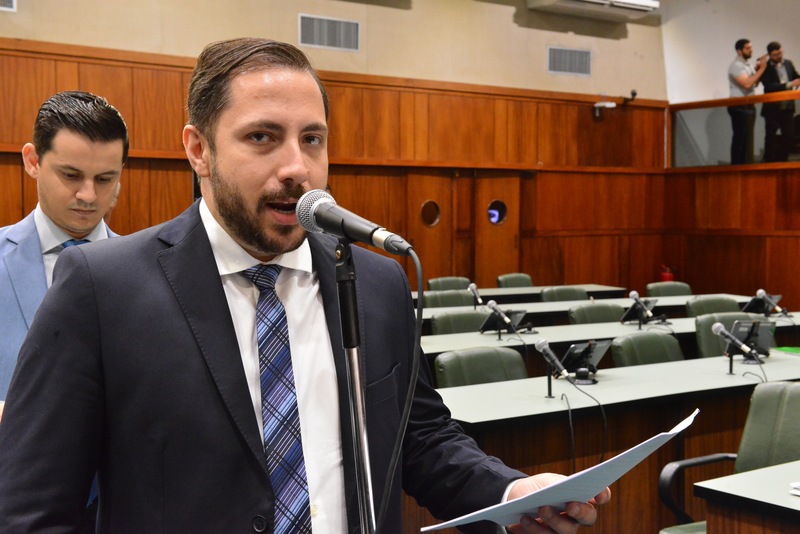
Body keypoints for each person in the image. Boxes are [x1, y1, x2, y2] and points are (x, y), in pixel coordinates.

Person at [0, 38, 609, 533]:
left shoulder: (374, 282)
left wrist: (508, 491)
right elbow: (33, 509)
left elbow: (418, 439)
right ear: (199, 150)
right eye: (262, 137)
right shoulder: (102, 288)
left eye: (312, 139)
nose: (298, 167)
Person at [0, 90, 128, 406]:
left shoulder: (151, 271)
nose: (88, 195)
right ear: (33, 161)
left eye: (105, 179)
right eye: (71, 175)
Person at [728, 38, 768, 164]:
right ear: (739, 51)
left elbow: (754, 83)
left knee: (747, 140)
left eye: (751, 47)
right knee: (740, 139)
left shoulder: (748, 64)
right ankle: (737, 167)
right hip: (739, 106)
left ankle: (745, 165)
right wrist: (762, 69)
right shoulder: (736, 66)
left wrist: (757, 70)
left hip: (748, 106)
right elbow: (747, 84)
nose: (751, 50)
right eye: (748, 48)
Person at [760, 41, 800, 162]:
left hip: (787, 106)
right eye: (775, 55)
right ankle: (769, 163)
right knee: (771, 137)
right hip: (772, 108)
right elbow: (768, 86)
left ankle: (782, 161)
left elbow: (795, 76)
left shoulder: (788, 63)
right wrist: (788, 85)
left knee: (789, 136)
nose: (778, 56)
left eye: (780, 53)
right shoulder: (765, 67)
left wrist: (797, 81)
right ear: (769, 55)